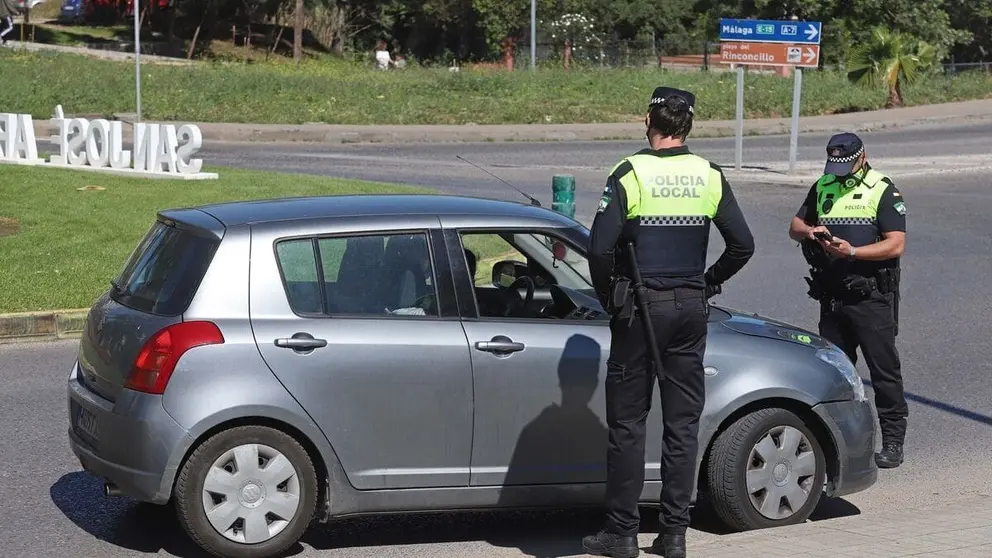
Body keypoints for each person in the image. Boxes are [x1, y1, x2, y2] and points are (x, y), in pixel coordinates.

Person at [582, 87, 755, 558]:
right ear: (688, 126)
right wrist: (707, 282)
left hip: (641, 309)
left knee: (628, 425)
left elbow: (599, 249)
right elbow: (743, 245)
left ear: (647, 120)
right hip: (689, 310)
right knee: (682, 425)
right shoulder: (709, 174)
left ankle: (621, 533)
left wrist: (609, 300)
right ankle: (674, 532)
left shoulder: (629, 173)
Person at [788, 132, 908, 469]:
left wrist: (853, 251)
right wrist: (810, 232)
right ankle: (835, 444)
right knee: (832, 374)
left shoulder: (882, 189)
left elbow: (896, 244)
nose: (838, 172)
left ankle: (894, 441)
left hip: (871, 298)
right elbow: (796, 225)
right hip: (833, 298)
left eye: (844, 165)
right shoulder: (824, 184)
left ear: (861, 157)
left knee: (884, 373)